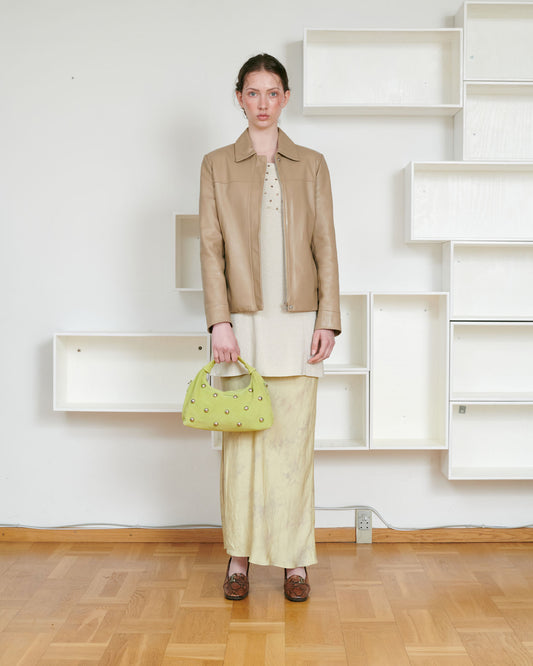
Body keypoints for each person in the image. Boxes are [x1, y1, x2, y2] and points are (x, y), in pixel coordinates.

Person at [199, 53, 341, 602]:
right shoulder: (216, 164)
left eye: (273, 92)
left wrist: (328, 320)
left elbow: (326, 246)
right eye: (253, 92)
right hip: (242, 325)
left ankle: (294, 562)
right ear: (239, 97)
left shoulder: (313, 164)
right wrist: (220, 322)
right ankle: (238, 558)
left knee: (293, 449)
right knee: (241, 448)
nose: (263, 103)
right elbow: (210, 248)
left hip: (299, 323)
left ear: (286, 98)